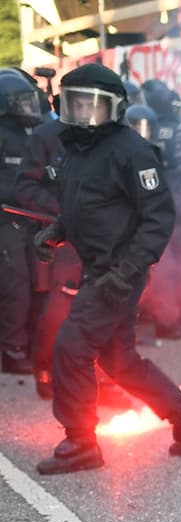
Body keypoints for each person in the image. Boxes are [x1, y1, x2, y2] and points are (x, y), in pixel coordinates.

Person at [31, 64, 181, 476]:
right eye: (75, 104)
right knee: (119, 361)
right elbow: (85, 205)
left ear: (115, 108)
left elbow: (158, 218)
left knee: (71, 349)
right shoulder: (78, 148)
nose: (84, 114)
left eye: (92, 106)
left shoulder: (132, 151)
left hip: (118, 272)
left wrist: (125, 272)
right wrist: (57, 232)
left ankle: (81, 443)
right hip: (101, 268)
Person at [0, 69, 43, 375]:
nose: (29, 107)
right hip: (7, 220)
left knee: (37, 282)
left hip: (31, 218)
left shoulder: (31, 133)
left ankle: (31, 342)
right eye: (21, 101)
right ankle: (13, 349)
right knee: (16, 285)